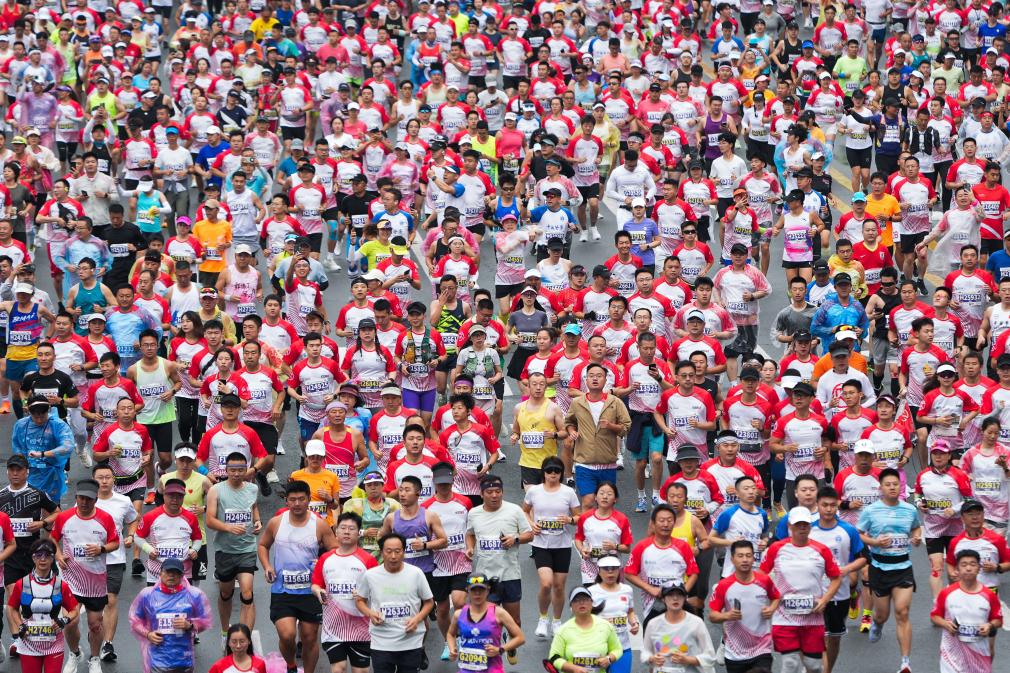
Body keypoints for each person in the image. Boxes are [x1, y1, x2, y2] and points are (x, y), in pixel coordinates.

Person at [257, 480, 337, 673]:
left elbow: (334, 550)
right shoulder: (277, 522)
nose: (297, 503)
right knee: (287, 635)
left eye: (301, 499)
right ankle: (291, 666)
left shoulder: (319, 525)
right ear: (287, 501)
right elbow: (263, 545)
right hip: (282, 590)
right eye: (293, 499)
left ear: (309, 499)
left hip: (310, 591)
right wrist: (267, 566)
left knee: (309, 637)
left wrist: (322, 562)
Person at [761, 507, 842, 673]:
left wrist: (825, 600)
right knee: (790, 663)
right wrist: (771, 600)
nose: (802, 527)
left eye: (805, 524)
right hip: (784, 617)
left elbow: (836, 578)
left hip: (812, 617)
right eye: (798, 524)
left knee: (814, 666)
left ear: (810, 526)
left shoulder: (821, 550)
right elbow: (761, 575)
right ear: (790, 526)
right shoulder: (776, 548)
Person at [51, 478, 119, 673]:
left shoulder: (105, 518)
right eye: (81, 498)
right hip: (71, 580)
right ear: (76, 497)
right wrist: (58, 555)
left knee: (95, 624)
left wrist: (101, 549)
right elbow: (53, 539)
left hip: (95, 581)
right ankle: (74, 653)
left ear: (96, 499)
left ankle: (95, 658)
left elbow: (115, 542)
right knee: (70, 621)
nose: (84, 502)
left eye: (89, 499)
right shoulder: (64, 517)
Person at [858, 468, 923, 673]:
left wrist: (916, 537)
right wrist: (875, 542)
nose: (892, 487)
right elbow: (858, 534)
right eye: (888, 484)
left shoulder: (909, 509)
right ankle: (877, 624)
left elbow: (916, 527)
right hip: (879, 568)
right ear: (881, 488)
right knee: (882, 615)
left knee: (902, 612)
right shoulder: (871, 511)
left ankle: (905, 662)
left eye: (896, 484)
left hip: (903, 567)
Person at [465, 474, 533, 665]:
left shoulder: (514, 510)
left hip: (510, 574)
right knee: (487, 621)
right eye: (490, 492)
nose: (494, 495)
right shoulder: (474, 513)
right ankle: (490, 656)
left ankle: (510, 643)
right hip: (485, 578)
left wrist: (515, 539)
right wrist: (470, 548)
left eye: (498, 491)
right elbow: (470, 534)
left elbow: (529, 535)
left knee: (514, 621)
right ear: (482, 494)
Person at [354, 533, 435, 673]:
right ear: (381, 552)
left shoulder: (416, 573)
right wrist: (370, 613)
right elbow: (360, 600)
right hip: (381, 642)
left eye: (397, 551)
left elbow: (429, 602)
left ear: (404, 552)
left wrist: (417, 619)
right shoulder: (370, 575)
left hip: (411, 641)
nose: (393, 556)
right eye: (389, 551)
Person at [524, 456, 581, 638]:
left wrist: (570, 519)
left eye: (557, 471)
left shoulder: (568, 492)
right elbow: (524, 511)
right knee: (546, 583)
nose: (553, 474)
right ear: (544, 472)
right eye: (549, 471)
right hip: (541, 544)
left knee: (558, 586)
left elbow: (579, 516)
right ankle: (543, 618)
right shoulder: (534, 492)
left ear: (561, 473)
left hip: (562, 544)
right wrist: (531, 524)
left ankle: (556, 621)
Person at [205, 452, 262, 634]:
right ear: (226, 470)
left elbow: (253, 507)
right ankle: (225, 631)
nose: (236, 474)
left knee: (247, 593)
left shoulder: (252, 489)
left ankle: (244, 637)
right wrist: (228, 528)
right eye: (233, 470)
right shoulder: (216, 490)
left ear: (246, 470)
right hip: (225, 550)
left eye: (240, 470)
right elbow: (209, 520)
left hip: (247, 548)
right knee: (226, 593)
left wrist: (257, 521)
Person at [5, 539, 80, 673]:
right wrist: (20, 625)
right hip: (28, 644)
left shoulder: (61, 585)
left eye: (47, 555)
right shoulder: (22, 584)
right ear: (33, 558)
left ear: (53, 558)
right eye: (38, 555)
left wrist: (64, 620)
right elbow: (12, 608)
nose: (43, 559)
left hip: (54, 644)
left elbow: (74, 610)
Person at [127, 558, 213, 673]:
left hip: (184, 660)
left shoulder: (194, 595)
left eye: (176, 572)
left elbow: (206, 620)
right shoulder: (147, 595)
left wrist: (190, 625)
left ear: (182, 575)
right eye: (168, 571)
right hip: (157, 660)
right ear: (160, 573)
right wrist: (148, 634)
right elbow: (135, 620)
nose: (171, 575)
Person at [709, 540, 780, 673]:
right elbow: (712, 616)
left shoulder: (764, 580)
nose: (745, 560)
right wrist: (727, 615)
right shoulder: (724, 585)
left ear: (754, 558)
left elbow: (776, 597)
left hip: (762, 649)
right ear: (732, 559)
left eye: (748, 555)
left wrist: (771, 609)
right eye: (740, 556)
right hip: (735, 653)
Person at [930, 549, 1003, 673]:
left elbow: (998, 620)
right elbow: (935, 616)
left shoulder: (989, 595)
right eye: (964, 565)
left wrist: (989, 625)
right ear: (957, 569)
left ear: (979, 568)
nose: (968, 568)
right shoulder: (947, 593)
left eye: (973, 564)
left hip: (979, 655)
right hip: (952, 656)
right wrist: (945, 624)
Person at [92, 463, 137, 664]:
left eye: (108, 477)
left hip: (114, 558)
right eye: (100, 478)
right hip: (90, 560)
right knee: (93, 605)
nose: (104, 481)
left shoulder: (123, 501)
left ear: (113, 480)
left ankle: (107, 644)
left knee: (111, 600)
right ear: (94, 480)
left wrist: (130, 535)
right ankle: (92, 640)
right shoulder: (85, 501)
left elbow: (133, 520)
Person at [446, 573, 526, 673]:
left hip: (492, 669)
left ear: (488, 590)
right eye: (473, 590)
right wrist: (452, 648)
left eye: (481, 589)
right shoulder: (459, 614)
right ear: (467, 590)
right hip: (466, 670)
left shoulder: (498, 613)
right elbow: (450, 634)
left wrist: (500, 649)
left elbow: (520, 638)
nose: (477, 593)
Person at [10, 395, 75, 503]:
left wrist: (42, 454)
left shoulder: (58, 425)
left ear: (48, 410)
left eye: (43, 416)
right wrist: (21, 461)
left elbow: (67, 447)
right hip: (29, 473)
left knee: (51, 505)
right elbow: (16, 444)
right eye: (36, 417)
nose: (39, 420)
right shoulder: (21, 425)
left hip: (51, 474)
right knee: (29, 505)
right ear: (28, 411)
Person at [641, 581, 716, 673]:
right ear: (663, 599)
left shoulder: (696, 623)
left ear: (685, 598)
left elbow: (710, 656)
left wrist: (688, 660)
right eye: (670, 595)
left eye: (679, 594)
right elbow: (645, 653)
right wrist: (652, 659)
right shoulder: (653, 624)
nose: (675, 598)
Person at [548, 585, 623, 673]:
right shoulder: (563, 630)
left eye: (585, 599)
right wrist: (573, 668)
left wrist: (609, 659)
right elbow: (554, 657)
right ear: (571, 606)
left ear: (591, 603)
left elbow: (617, 649)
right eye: (576, 600)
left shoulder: (605, 626)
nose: (581, 603)